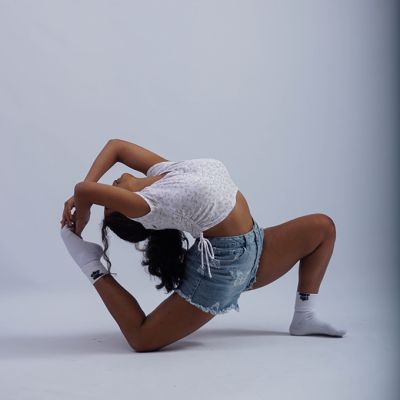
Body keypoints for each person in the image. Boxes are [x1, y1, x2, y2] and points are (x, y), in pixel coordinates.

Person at [60, 139, 347, 352]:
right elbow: (85, 190)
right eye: (110, 201)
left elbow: (116, 147)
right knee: (141, 338)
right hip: (219, 272)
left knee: (323, 228)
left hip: (255, 247)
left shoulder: (166, 173)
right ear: (129, 212)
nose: (109, 187)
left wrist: (86, 197)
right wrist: (82, 209)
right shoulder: (148, 205)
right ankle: (91, 263)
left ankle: (304, 316)